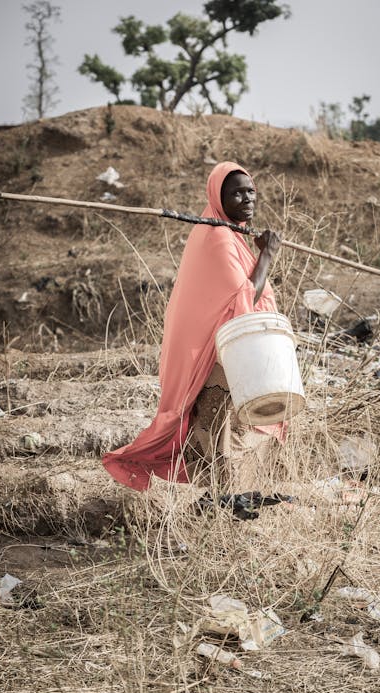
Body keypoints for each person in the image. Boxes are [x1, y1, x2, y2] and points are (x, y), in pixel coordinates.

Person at [102, 161, 286, 495]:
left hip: (224, 352)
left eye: (251, 191)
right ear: (219, 197)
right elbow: (243, 298)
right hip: (212, 357)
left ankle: (221, 503)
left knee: (225, 432)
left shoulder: (230, 235)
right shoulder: (218, 239)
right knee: (218, 434)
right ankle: (221, 504)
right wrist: (268, 256)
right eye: (236, 193)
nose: (247, 199)